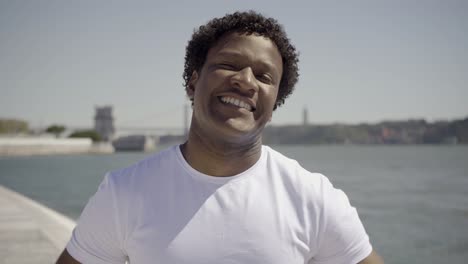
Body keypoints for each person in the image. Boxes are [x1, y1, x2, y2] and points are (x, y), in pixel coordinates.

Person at [57, 11, 383, 264]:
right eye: (228, 65)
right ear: (192, 81)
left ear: (274, 104)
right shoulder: (123, 193)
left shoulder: (315, 198)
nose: (245, 81)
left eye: (264, 76)